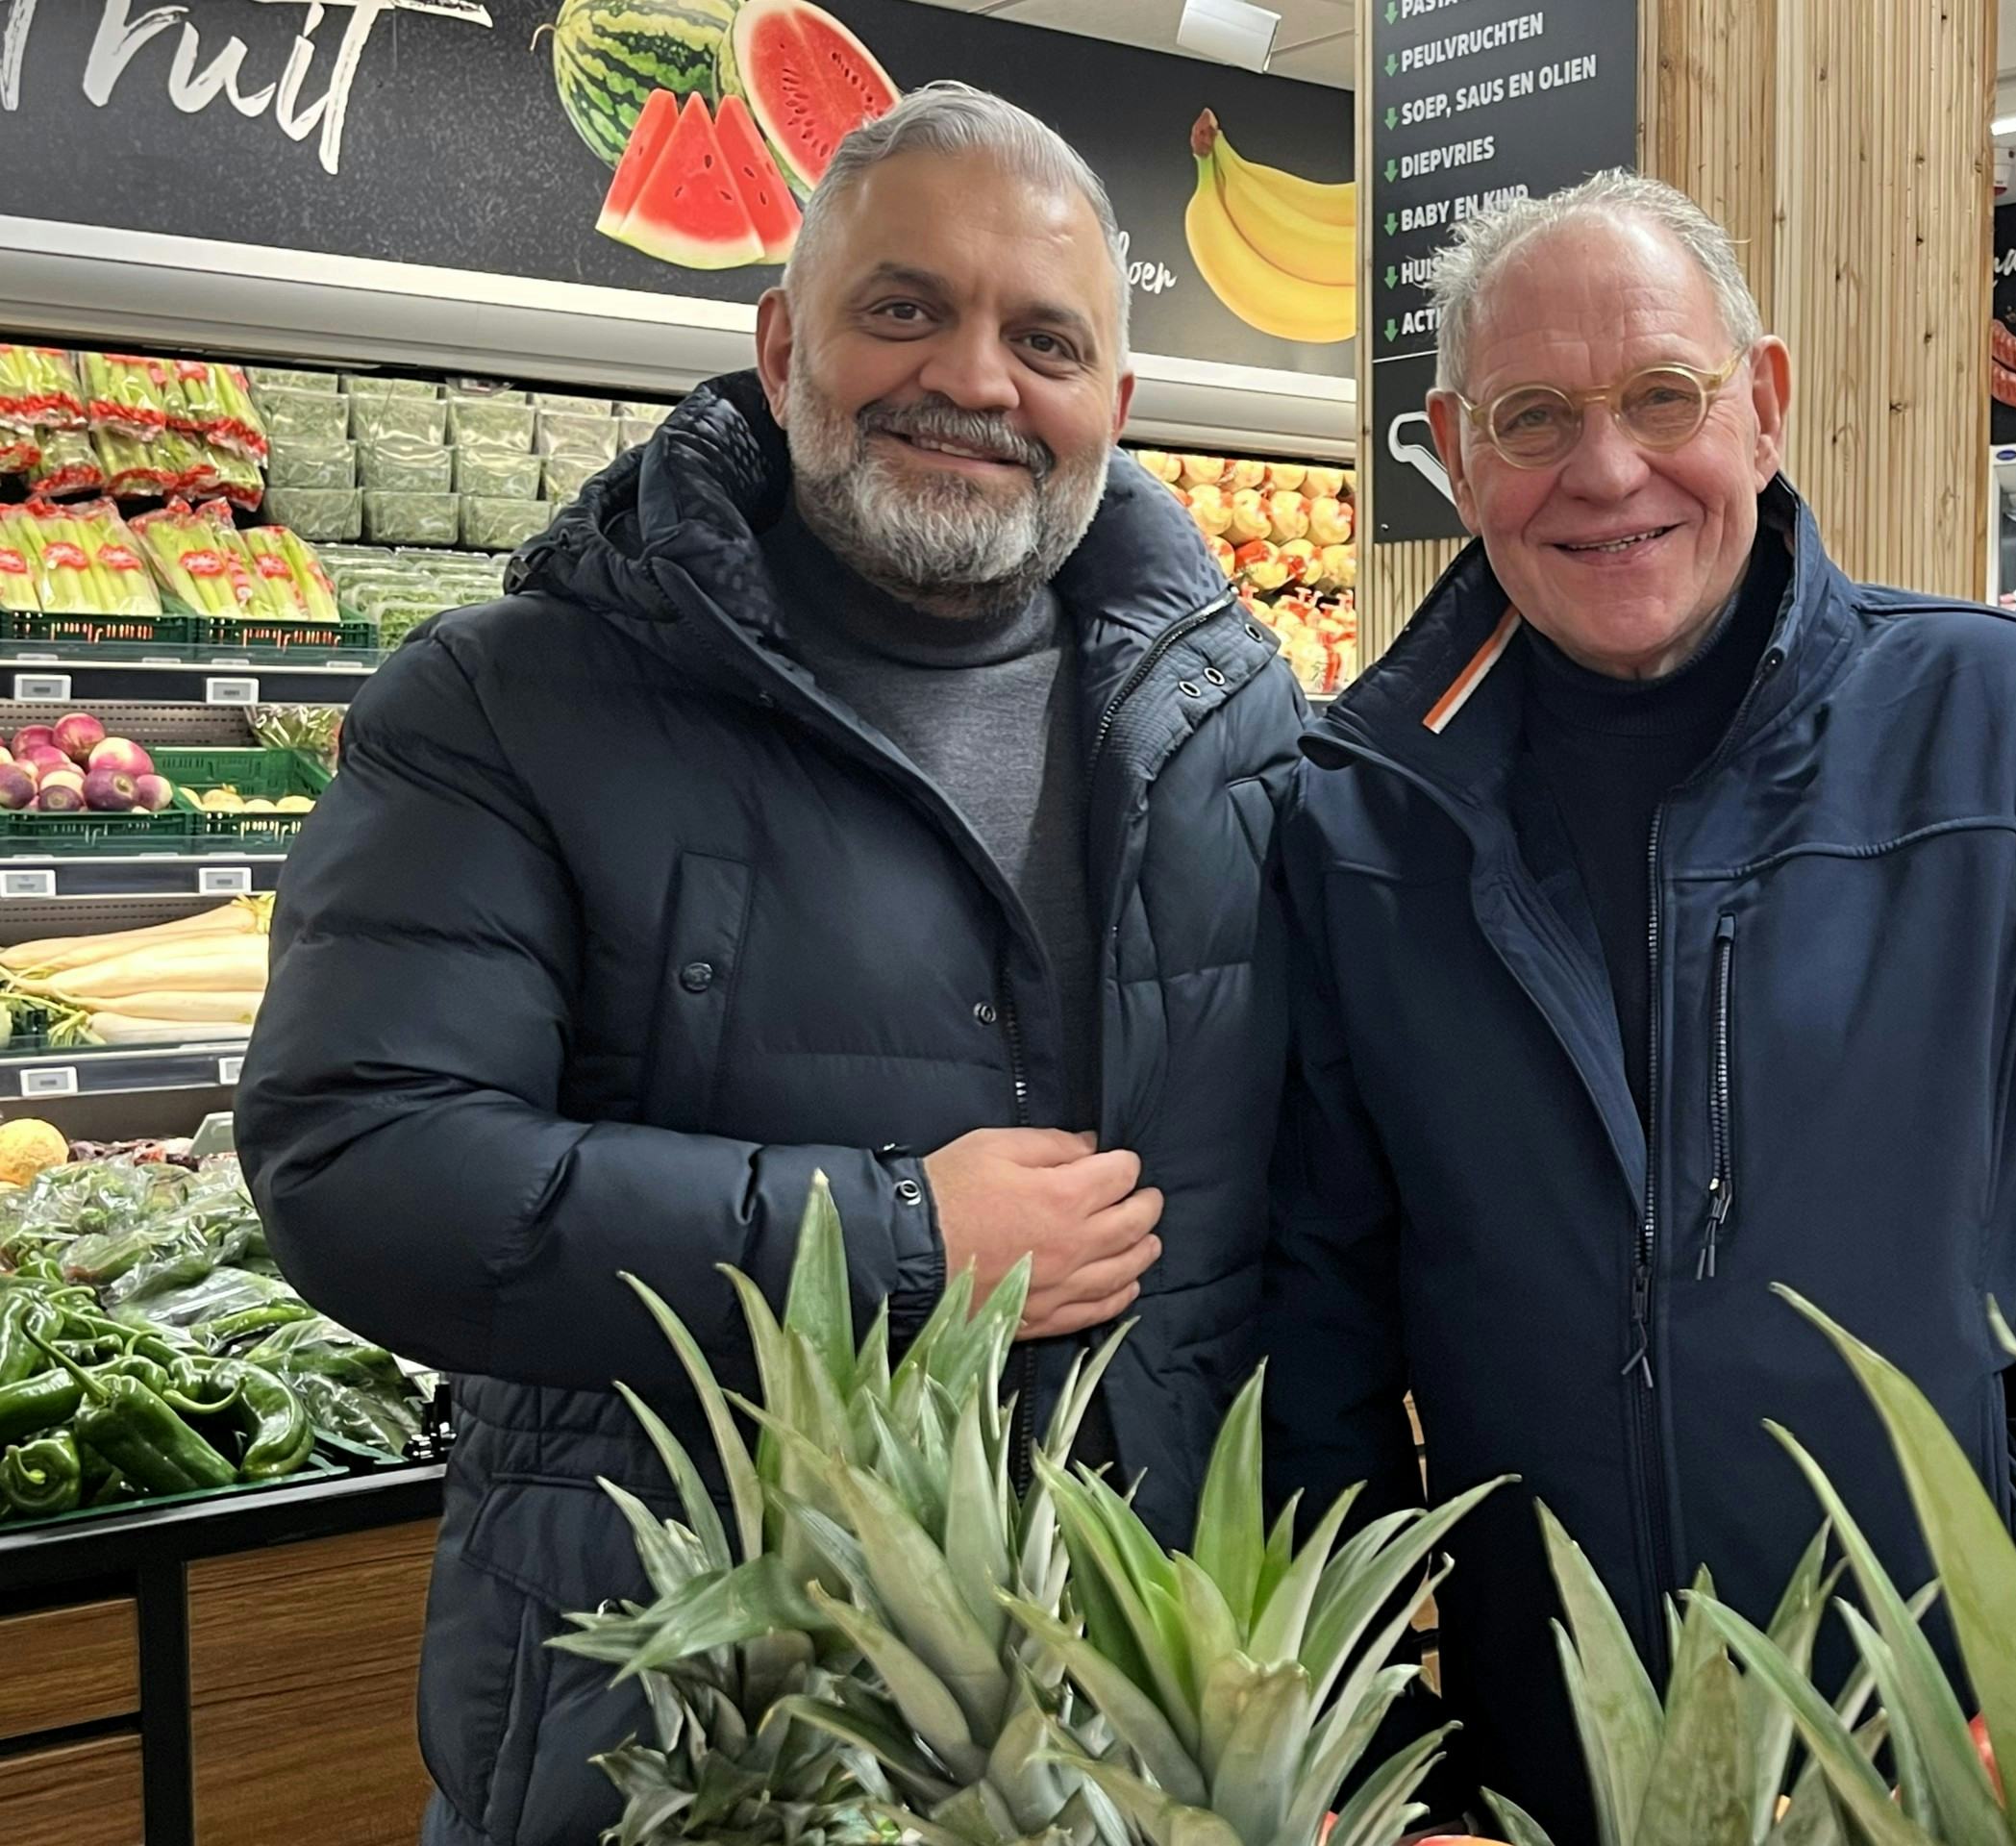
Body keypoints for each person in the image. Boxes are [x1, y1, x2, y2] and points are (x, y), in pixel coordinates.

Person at [236, 85, 1301, 1846]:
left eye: (1042, 338)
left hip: (1134, 1722)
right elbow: (363, 1164)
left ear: (1116, 403)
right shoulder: (508, 698)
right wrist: (893, 1240)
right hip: (684, 1721)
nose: (971, 377)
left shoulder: (1233, 727)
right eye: (905, 307)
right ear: (781, 335)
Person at [1257, 170, 2016, 1834]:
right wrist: (1368, 1730)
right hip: (1551, 1737)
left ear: (1759, 405)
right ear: (1456, 451)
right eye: (1535, 416)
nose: (1605, 470)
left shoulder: (2007, 724)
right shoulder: (1361, 815)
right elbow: (1323, 1296)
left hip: (1969, 1725)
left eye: (1662, 397)